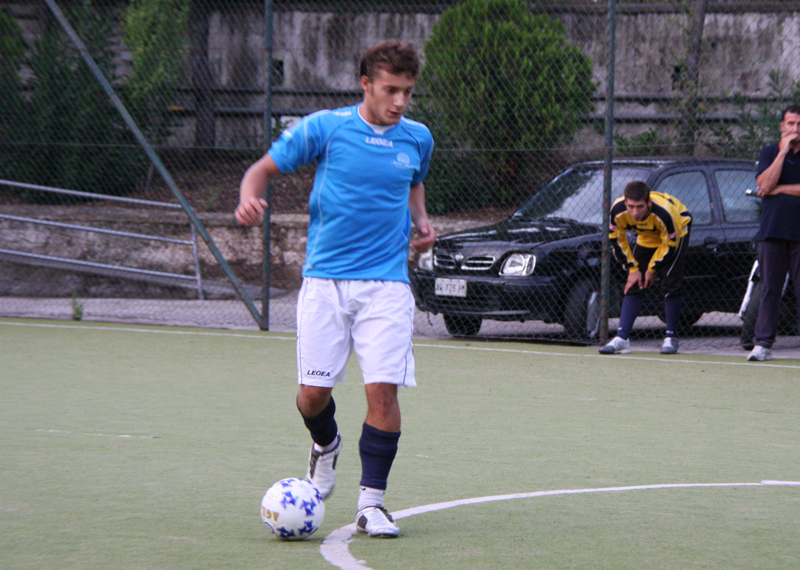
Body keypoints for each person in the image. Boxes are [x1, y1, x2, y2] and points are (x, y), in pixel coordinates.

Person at [236, 40, 434, 538]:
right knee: (311, 397)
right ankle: (326, 445)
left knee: (382, 392)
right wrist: (248, 198)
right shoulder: (326, 128)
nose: (400, 101)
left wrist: (421, 221)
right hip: (325, 281)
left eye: (408, 92)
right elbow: (261, 171)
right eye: (390, 90)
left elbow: (414, 182)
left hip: (386, 285)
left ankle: (372, 504)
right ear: (366, 84)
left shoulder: (418, 138)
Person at [599, 181, 692, 355]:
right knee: (635, 282)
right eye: (631, 207)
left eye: (640, 207)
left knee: (671, 281)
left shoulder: (665, 213)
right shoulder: (617, 210)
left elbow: (669, 246)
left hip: (676, 230)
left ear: (648, 203)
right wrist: (633, 269)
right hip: (647, 235)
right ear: (625, 202)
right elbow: (617, 241)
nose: (635, 212)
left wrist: (652, 269)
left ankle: (671, 337)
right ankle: (622, 338)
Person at [747, 105, 800, 361]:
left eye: (799, 125)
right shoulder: (770, 152)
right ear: (782, 126)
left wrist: (779, 189)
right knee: (770, 288)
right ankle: (763, 344)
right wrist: (783, 153)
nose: (795, 129)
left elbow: (771, 188)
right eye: (791, 124)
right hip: (772, 232)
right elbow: (765, 184)